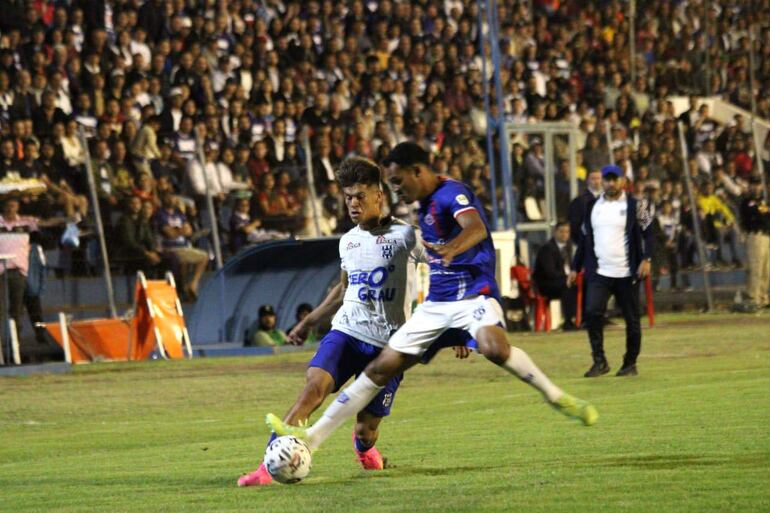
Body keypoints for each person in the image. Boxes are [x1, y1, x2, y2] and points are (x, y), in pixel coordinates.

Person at [264, 143, 597, 467]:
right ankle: (310, 440)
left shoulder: (447, 197)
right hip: (428, 307)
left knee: (493, 349)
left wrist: (451, 251)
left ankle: (556, 397)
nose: (395, 190)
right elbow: (344, 286)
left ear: (416, 172)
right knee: (376, 371)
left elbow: (476, 228)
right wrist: (310, 322)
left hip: (472, 295)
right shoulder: (403, 216)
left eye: (397, 182)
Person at [238, 156, 475, 486]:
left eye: (359, 196)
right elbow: (343, 289)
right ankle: (268, 468)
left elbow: (448, 269)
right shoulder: (348, 241)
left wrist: (461, 327)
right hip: (347, 332)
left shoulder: (408, 237)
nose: (352, 204)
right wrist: (309, 322)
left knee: (367, 427)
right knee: (312, 390)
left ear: (379, 195)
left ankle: (363, 447)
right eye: (347, 197)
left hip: (390, 347)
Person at [570, 164, 654, 377]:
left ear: (622, 181)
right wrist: (574, 267)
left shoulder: (637, 205)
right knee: (591, 313)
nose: (610, 183)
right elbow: (583, 239)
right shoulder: (591, 207)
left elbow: (650, 232)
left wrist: (647, 258)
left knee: (632, 320)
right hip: (599, 272)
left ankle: (630, 363)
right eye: (607, 179)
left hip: (627, 273)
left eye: (614, 179)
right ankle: (599, 361)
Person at [533, 221, 577, 329]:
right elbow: (550, 272)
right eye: (561, 231)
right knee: (567, 288)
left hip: (562, 281)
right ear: (555, 232)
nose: (564, 234)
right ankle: (568, 321)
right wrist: (567, 279)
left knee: (581, 286)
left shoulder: (569, 247)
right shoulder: (547, 249)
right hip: (546, 285)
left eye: (567, 232)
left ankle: (582, 319)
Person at [739, 176, 770, 308]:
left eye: (758, 184)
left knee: (766, 269)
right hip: (755, 235)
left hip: (766, 236)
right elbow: (751, 216)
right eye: (754, 184)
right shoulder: (747, 202)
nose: (756, 187)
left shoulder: (765, 201)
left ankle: (763, 297)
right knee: (755, 267)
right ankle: (753, 297)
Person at [568, 169, 602, 245]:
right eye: (593, 179)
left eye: (598, 178)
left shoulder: (608, 198)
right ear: (587, 181)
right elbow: (574, 225)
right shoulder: (579, 201)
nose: (596, 181)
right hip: (587, 243)